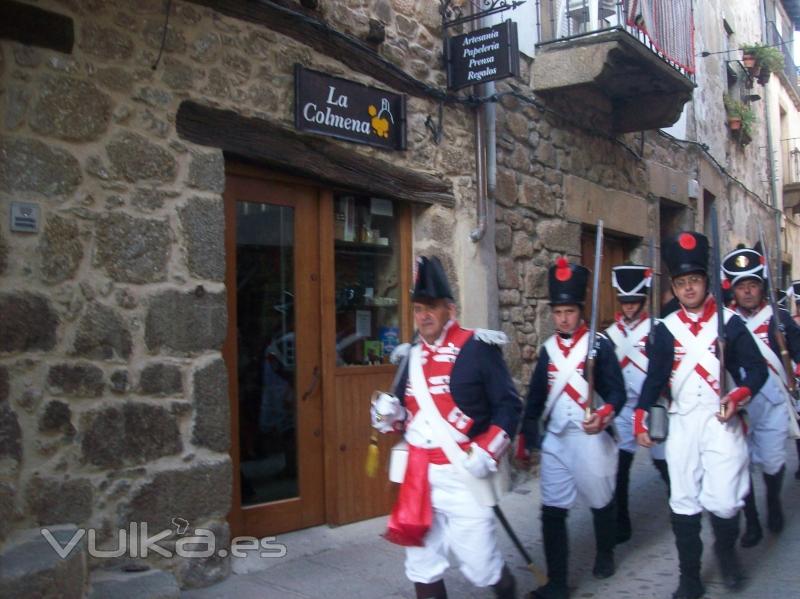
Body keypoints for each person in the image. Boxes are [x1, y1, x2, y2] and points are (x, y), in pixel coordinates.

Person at [370, 256, 522, 599]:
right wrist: (388, 416)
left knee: (482, 567)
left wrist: (487, 451)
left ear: (449, 310)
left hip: (462, 474)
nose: (424, 316)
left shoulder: (477, 347)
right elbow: (408, 418)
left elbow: (509, 406)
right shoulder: (409, 356)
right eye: (419, 308)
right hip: (419, 475)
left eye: (432, 308)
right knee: (422, 564)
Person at [634, 231, 767, 599]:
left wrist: (739, 395)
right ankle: (689, 578)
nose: (688, 288)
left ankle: (726, 552)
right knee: (684, 500)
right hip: (682, 424)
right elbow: (656, 378)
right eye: (681, 282)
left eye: (694, 280)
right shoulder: (665, 331)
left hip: (721, 420)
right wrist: (640, 414)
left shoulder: (732, 325)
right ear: (674, 287)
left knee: (725, 501)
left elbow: (757, 372)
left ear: (706, 282)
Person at [520, 258, 626, 599]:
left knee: (600, 500)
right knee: (552, 510)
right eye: (558, 312)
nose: (563, 318)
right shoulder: (548, 351)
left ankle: (605, 550)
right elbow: (536, 397)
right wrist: (526, 432)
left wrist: (605, 413)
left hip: (589, 435)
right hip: (557, 440)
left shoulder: (599, 345)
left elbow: (617, 393)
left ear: (580, 311)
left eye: (569, 311)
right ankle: (558, 582)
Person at [722, 246, 800, 546]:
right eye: (742, 287)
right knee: (740, 464)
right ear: (734, 289)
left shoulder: (778, 318)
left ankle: (773, 502)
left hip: (773, 400)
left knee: (771, 460)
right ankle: (752, 521)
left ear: (761, 286)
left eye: (753, 285)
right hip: (740, 402)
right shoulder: (726, 322)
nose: (748, 292)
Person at [604, 264, 670, 545]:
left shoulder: (659, 330)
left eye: (634, 302)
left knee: (666, 464)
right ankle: (621, 522)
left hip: (655, 406)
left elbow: (667, 368)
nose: (629, 308)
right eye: (625, 302)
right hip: (623, 410)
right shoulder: (608, 336)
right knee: (619, 470)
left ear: (643, 301)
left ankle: (681, 506)